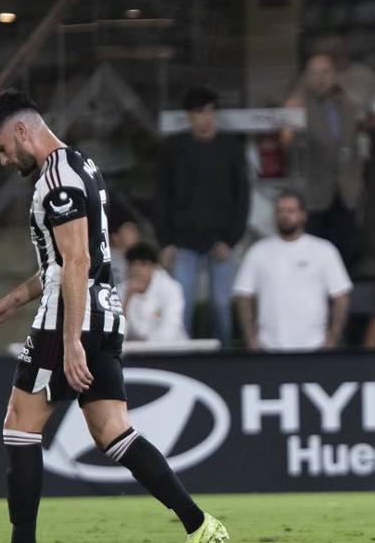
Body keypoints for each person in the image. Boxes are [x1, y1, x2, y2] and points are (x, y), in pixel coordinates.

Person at [0, 90, 227, 543]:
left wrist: (69, 342)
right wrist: (7, 303)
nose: (2, 159)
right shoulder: (79, 166)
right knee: (111, 431)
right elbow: (65, 263)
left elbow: (76, 263)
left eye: (1, 148)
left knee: (19, 426)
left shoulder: (57, 179)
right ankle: (199, 524)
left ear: (22, 131)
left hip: (71, 316)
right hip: (104, 311)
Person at [155, 86, 249, 347]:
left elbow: (242, 196)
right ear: (189, 116)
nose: (205, 118)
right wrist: (165, 242)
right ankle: (183, 357)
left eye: (209, 112)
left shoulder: (230, 148)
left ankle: (225, 359)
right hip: (183, 242)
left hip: (221, 242)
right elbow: (162, 196)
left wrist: (231, 240)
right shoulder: (173, 149)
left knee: (222, 306)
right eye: (199, 112)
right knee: (180, 306)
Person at [233, 191, 352, 351]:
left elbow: (341, 297)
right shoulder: (258, 251)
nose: (285, 216)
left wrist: (332, 340)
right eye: (280, 211)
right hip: (269, 347)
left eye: (290, 211)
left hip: (314, 346)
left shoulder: (324, 250)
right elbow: (244, 295)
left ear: (303, 215)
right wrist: (251, 341)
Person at [282, 53, 364, 267]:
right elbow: (288, 144)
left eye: (326, 72)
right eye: (315, 73)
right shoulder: (298, 105)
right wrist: (291, 116)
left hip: (345, 192)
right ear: (307, 77)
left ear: (335, 75)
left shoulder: (348, 105)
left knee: (346, 253)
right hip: (314, 193)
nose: (321, 78)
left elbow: (355, 148)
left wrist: (356, 183)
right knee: (313, 254)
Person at [122, 243, 188, 343]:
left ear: (154, 266)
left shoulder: (171, 288)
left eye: (143, 264)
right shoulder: (122, 289)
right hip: (135, 353)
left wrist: (146, 343)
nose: (137, 269)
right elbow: (117, 335)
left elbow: (170, 328)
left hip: (171, 350)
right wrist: (127, 298)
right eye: (133, 264)